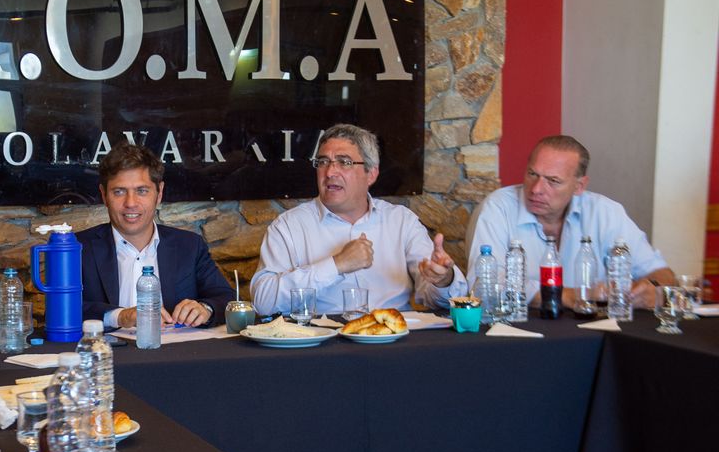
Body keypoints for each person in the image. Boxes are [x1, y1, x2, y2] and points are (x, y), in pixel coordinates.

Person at [251, 123, 467, 315]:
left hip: (392, 337)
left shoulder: (401, 221)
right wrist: (336, 265)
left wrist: (444, 281)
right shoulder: (288, 226)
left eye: (344, 162)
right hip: (321, 340)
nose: (330, 172)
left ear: (371, 173)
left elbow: (443, 300)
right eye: (323, 162)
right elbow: (263, 302)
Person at [468, 135, 674, 309]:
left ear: (579, 186)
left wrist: (651, 290)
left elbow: (662, 274)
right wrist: (567, 296)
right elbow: (484, 283)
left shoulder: (605, 212)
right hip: (521, 328)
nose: (537, 189)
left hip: (595, 328)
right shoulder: (498, 207)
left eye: (553, 181)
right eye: (532, 174)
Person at [79, 143, 235, 328]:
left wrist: (205, 309)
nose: (131, 203)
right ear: (104, 195)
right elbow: (58, 309)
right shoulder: (77, 248)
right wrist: (120, 316)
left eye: (142, 191)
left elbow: (226, 298)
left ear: (159, 193)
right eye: (119, 192)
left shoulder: (189, 246)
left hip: (177, 346)